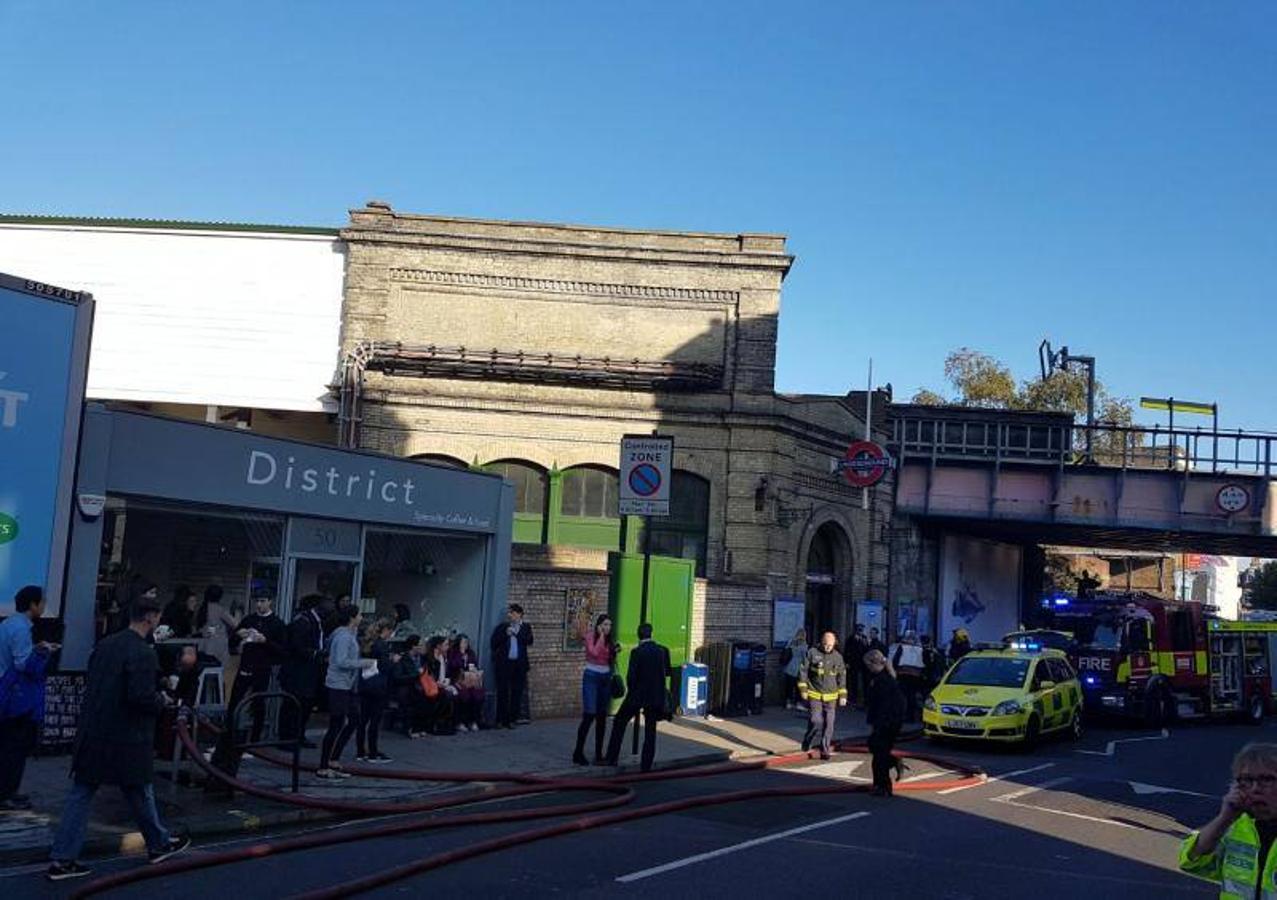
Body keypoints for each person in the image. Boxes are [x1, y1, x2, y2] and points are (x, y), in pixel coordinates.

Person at [47, 594, 189, 882]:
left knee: (84, 792)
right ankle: (159, 843)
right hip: (127, 736)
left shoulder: (107, 644)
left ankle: (63, 858)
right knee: (138, 788)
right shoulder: (143, 651)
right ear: (150, 617)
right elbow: (139, 697)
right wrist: (161, 700)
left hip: (93, 730)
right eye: (157, 615)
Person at [207, 594, 288, 786]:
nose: (260, 604)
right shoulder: (249, 620)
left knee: (258, 703)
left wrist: (264, 641)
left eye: (263, 600)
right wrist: (238, 636)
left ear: (270, 602)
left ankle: (254, 741)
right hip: (246, 664)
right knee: (235, 701)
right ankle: (228, 738)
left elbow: (283, 650)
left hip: (263, 667)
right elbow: (233, 640)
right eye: (258, 601)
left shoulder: (277, 623)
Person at [1180, 742, 1277, 896]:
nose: (1255, 789)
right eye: (1246, 780)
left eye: (1266, 780)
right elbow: (1193, 862)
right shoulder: (1235, 826)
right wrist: (1224, 818)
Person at [0, 585, 57, 811]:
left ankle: (7, 790)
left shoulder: (8, 624)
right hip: (19, 696)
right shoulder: (22, 629)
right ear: (33, 604)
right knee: (15, 747)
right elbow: (25, 664)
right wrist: (44, 652)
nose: (43, 606)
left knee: (7, 746)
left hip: (7, 691)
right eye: (42, 602)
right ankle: (6, 793)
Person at [604, 623, 672, 773]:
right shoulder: (662, 651)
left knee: (620, 721)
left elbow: (631, 677)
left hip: (637, 696)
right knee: (650, 731)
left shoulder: (637, 652)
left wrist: (633, 691)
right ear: (651, 634)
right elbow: (667, 673)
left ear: (638, 635)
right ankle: (645, 766)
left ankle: (612, 757)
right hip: (655, 697)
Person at [317, 607, 375, 779]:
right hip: (339, 684)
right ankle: (324, 765)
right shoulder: (343, 637)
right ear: (352, 618)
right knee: (336, 723)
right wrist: (363, 663)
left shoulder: (347, 635)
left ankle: (333, 759)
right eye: (359, 615)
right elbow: (341, 661)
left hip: (347, 685)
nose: (361, 617)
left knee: (353, 719)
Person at [279, 594, 326, 748]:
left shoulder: (315, 621)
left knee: (305, 704)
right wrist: (315, 653)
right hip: (297, 671)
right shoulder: (303, 621)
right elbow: (296, 646)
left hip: (308, 671)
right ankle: (286, 738)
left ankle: (298, 735)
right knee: (293, 704)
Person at [572, 613, 618, 765]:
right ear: (599, 625)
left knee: (601, 716)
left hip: (605, 678)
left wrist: (615, 651)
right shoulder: (590, 636)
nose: (607, 628)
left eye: (609, 625)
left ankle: (599, 754)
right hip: (591, 677)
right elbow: (594, 652)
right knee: (589, 715)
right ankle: (578, 752)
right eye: (605, 625)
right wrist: (601, 637)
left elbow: (608, 659)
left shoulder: (610, 640)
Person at [797, 631, 847, 761]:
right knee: (816, 720)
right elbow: (803, 671)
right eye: (825, 644)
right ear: (821, 642)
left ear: (834, 644)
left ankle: (825, 749)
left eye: (830, 645)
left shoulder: (838, 657)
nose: (827, 647)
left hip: (831, 696)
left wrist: (843, 695)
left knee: (829, 724)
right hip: (815, 693)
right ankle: (808, 739)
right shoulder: (812, 653)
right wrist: (803, 688)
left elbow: (842, 677)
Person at [863, 649, 905, 798]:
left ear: (873, 664)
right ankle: (893, 763)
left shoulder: (883, 681)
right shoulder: (884, 678)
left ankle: (883, 786)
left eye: (867, 665)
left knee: (879, 756)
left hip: (886, 723)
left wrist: (881, 724)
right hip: (888, 722)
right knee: (876, 749)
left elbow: (885, 705)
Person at [356, 618, 397, 763]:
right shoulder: (382, 646)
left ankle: (360, 751)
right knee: (374, 720)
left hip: (365, 684)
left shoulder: (368, 644)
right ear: (386, 630)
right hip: (378, 686)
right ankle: (372, 751)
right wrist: (393, 661)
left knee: (363, 720)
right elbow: (385, 667)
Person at [490, 603, 533, 729]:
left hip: (519, 665)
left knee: (516, 692)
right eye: (509, 613)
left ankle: (512, 719)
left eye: (513, 613)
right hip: (505, 664)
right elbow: (494, 643)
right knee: (503, 691)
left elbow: (529, 641)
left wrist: (517, 634)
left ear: (519, 614)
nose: (510, 616)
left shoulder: (525, 627)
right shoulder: (503, 627)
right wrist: (505, 635)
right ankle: (500, 719)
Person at [447, 634, 485, 733]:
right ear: (459, 643)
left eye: (467, 642)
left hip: (469, 679)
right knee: (464, 695)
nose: (465, 645)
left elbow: (474, 665)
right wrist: (461, 657)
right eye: (463, 642)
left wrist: (475, 671)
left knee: (477, 694)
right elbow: (453, 666)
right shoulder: (453, 653)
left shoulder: (471, 653)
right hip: (457, 680)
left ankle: (473, 721)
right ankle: (460, 722)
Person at [195, 585, 240, 669]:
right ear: (220, 597)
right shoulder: (220, 609)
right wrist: (237, 612)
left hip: (203, 646)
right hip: (218, 648)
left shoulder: (201, 608)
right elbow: (235, 624)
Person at [889, 631, 926, 722]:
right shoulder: (920, 648)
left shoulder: (902, 647)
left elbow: (895, 660)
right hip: (916, 675)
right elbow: (924, 661)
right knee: (912, 695)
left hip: (903, 673)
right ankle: (912, 716)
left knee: (903, 695)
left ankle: (904, 715)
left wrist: (894, 670)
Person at [781, 628, 808, 711]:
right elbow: (805, 658)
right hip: (798, 669)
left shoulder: (790, 642)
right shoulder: (803, 645)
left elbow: (785, 652)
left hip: (788, 667)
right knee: (798, 687)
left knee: (788, 686)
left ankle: (788, 703)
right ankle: (798, 703)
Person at [845, 624, 871, 706]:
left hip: (863, 663)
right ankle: (853, 698)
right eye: (859, 629)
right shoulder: (850, 639)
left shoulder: (865, 638)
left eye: (861, 630)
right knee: (853, 681)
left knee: (864, 680)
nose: (860, 631)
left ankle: (863, 699)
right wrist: (847, 662)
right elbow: (847, 651)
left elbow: (867, 649)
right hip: (853, 663)